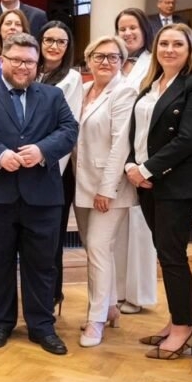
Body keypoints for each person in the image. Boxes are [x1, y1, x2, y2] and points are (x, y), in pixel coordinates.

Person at [0, 33, 77, 355]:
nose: (23, 67)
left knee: (42, 265)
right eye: (17, 60)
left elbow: (69, 130)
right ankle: (0, 322)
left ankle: (42, 326)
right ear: (3, 61)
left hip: (42, 196)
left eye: (30, 62)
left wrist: (42, 150)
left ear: (38, 64)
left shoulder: (53, 95)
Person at [126, 24, 192, 360]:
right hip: (148, 180)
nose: (169, 49)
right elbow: (138, 133)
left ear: (190, 48)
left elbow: (189, 138)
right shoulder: (151, 84)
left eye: (178, 44)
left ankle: (183, 329)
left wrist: (146, 169)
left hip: (177, 183)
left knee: (173, 255)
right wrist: (131, 166)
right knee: (165, 253)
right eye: (164, 43)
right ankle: (175, 320)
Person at [74, 35, 136, 347]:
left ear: (122, 62)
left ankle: (95, 319)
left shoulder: (124, 91)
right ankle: (109, 306)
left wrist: (107, 189)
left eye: (114, 57)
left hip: (108, 187)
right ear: (88, 59)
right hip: (82, 182)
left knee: (98, 248)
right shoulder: (84, 90)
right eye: (99, 56)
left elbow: (120, 144)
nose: (106, 62)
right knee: (95, 248)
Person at [113, 7, 159, 314]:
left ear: (144, 30)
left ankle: (138, 294)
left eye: (133, 28)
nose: (128, 33)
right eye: (123, 28)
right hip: (113, 151)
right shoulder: (114, 61)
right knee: (117, 226)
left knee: (139, 225)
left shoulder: (152, 63)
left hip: (140, 152)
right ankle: (117, 290)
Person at [36, 20, 83, 311]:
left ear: (68, 47)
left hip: (55, 168)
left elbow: (69, 126)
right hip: (24, 163)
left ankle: (53, 296)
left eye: (61, 41)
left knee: (52, 237)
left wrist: (49, 163)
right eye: (49, 40)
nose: (54, 46)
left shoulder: (72, 78)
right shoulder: (30, 70)